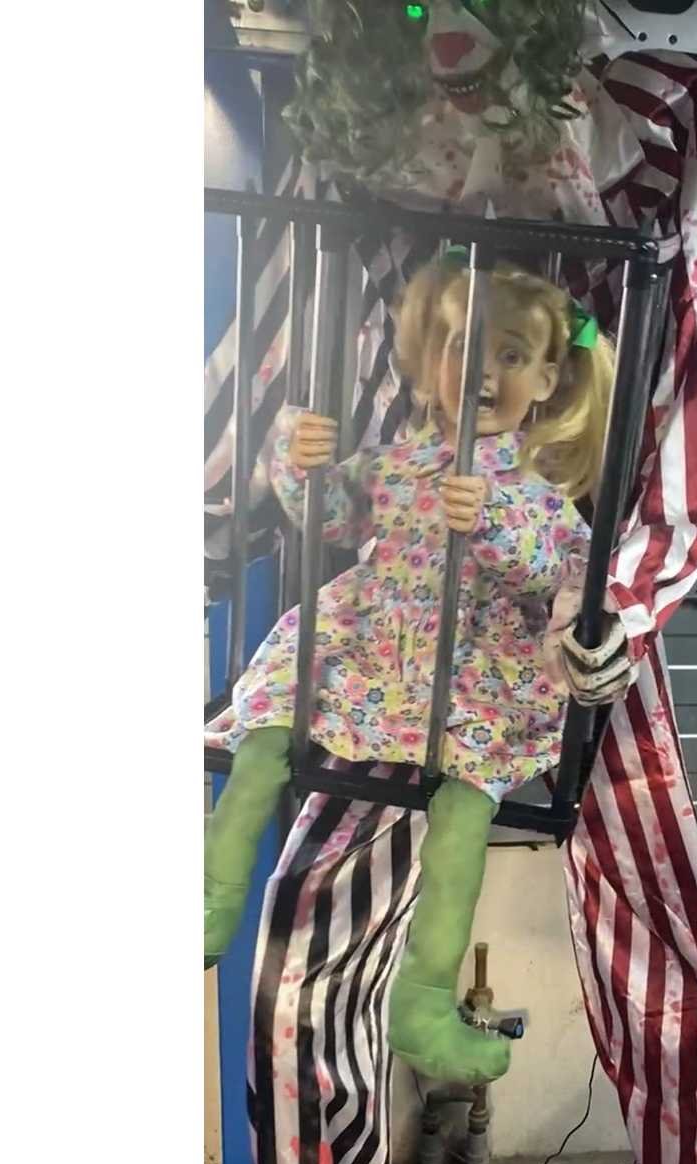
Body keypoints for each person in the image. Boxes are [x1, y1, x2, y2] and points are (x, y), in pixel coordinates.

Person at [206, 257, 615, 1086]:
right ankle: (210, 902)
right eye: (465, 347)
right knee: (268, 728)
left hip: (471, 669)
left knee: (465, 809)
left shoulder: (535, 488)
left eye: (511, 355)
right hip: (373, 639)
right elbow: (333, 517)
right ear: (433, 361)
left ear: (545, 381)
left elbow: (560, 568)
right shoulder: (397, 460)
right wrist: (302, 463)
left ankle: (422, 1001)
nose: (483, 372)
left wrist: (493, 522)